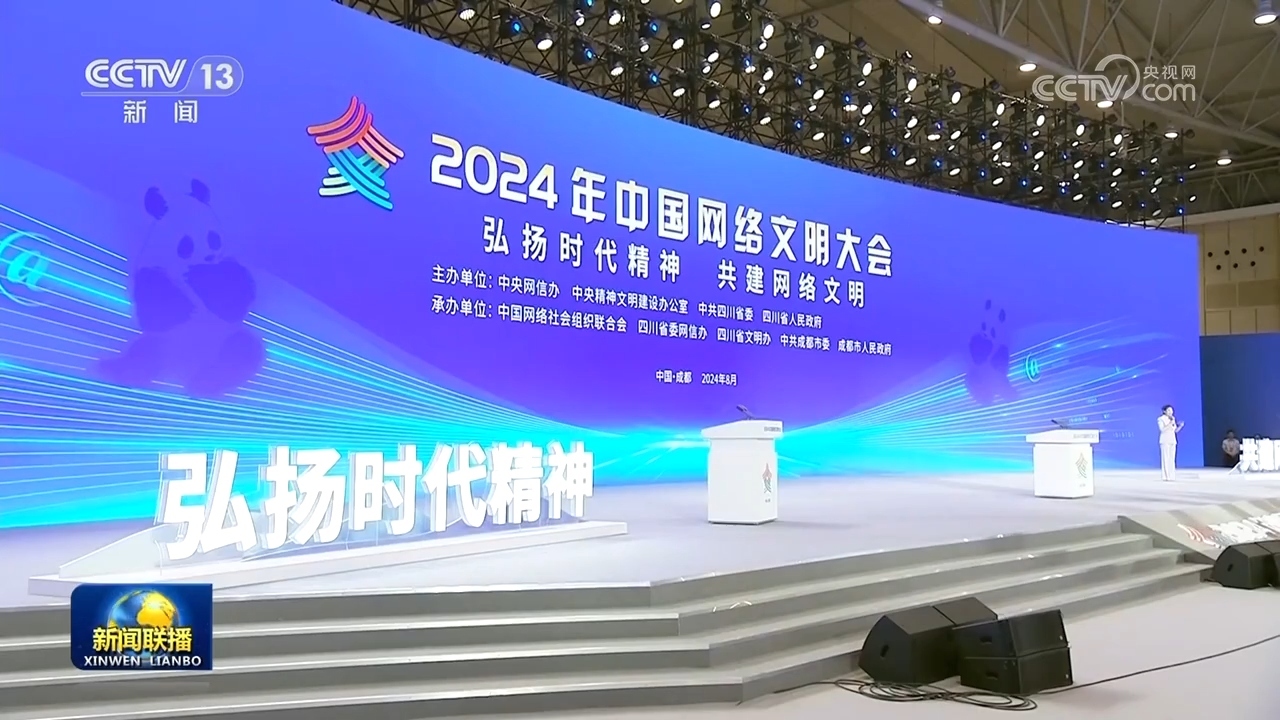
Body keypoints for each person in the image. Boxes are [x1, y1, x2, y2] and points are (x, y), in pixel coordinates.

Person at [1157, 405, 1184, 481]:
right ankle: (1166, 476)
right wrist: (1170, 423)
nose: (1171, 412)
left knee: (1172, 459)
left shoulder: (1172, 418)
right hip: (1165, 440)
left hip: (1172, 440)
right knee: (1165, 458)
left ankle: (1172, 475)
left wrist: (1180, 426)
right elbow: (1162, 429)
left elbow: (1174, 430)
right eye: (1169, 410)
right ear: (1164, 411)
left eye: (1171, 410)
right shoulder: (1161, 419)